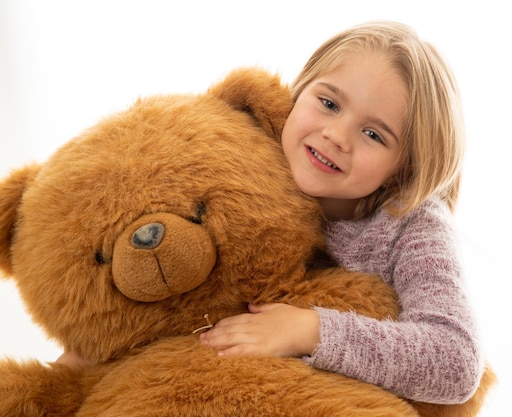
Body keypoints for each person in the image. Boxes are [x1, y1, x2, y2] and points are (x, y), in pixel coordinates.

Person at [59, 20, 483, 404]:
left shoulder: (410, 225)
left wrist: (309, 331)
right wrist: (91, 349)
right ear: (297, 95)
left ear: (404, 167)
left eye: (373, 134)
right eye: (329, 104)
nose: (336, 135)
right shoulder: (244, 160)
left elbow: (456, 361)